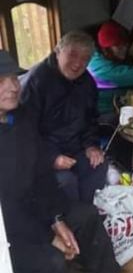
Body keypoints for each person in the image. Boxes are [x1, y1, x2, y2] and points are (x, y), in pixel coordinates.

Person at [0, 50, 119, 273]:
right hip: (9, 229)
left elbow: (41, 174)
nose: (13, 87)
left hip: (37, 208)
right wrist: (48, 235)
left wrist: (56, 219)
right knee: (52, 262)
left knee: (87, 215)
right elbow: (6, 210)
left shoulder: (21, 117)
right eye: (1, 81)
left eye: (14, 78)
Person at [19, 31, 109, 203]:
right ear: (58, 51)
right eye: (73, 55)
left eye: (85, 59)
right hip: (41, 156)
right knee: (66, 181)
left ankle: (90, 214)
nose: (78, 64)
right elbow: (25, 134)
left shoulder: (87, 82)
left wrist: (91, 145)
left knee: (99, 165)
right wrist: (51, 158)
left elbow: (91, 119)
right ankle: (69, 224)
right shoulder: (37, 81)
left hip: (74, 148)